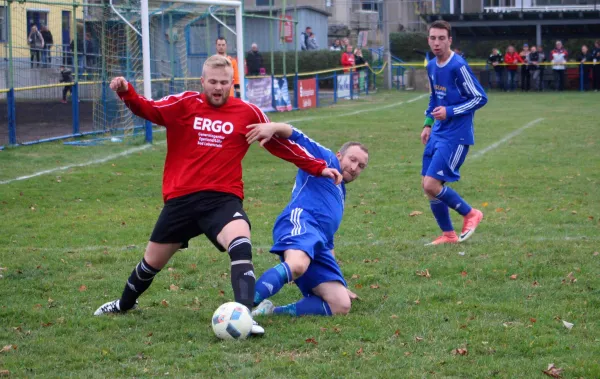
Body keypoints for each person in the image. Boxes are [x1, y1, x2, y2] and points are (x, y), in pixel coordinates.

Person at [92, 55, 343, 337]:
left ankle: (245, 315)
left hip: (221, 199)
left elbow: (281, 147)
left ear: (232, 84)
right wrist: (126, 92)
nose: (218, 87)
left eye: (225, 83)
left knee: (241, 242)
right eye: (212, 81)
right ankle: (124, 304)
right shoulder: (184, 104)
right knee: (150, 263)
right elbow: (147, 109)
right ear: (203, 81)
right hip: (181, 201)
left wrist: (319, 167)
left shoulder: (248, 113)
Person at [247, 123, 368, 317]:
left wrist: (338, 280)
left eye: (361, 166)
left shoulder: (340, 194)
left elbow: (328, 242)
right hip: (301, 221)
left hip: (318, 242)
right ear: (339, 155)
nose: (354, 168)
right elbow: (298, 136)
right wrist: (273, 127)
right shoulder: (327, 158)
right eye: (352, 160)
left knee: (340, 305)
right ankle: (242, 306)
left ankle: (269, 313)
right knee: (297, 264)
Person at [421, 20, 487, 245]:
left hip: (456, 134)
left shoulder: (458, 65)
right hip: (438, 131)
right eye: (433, 38)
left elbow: (479, 97)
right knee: (427, 186)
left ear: (450, 40)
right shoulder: (431, 65)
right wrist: (428, 123)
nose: (436, 43)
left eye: (441, 38)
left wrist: (449, 111)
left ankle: (471, 214)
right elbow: (434, 97)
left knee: (432, 185)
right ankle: (448, 234)